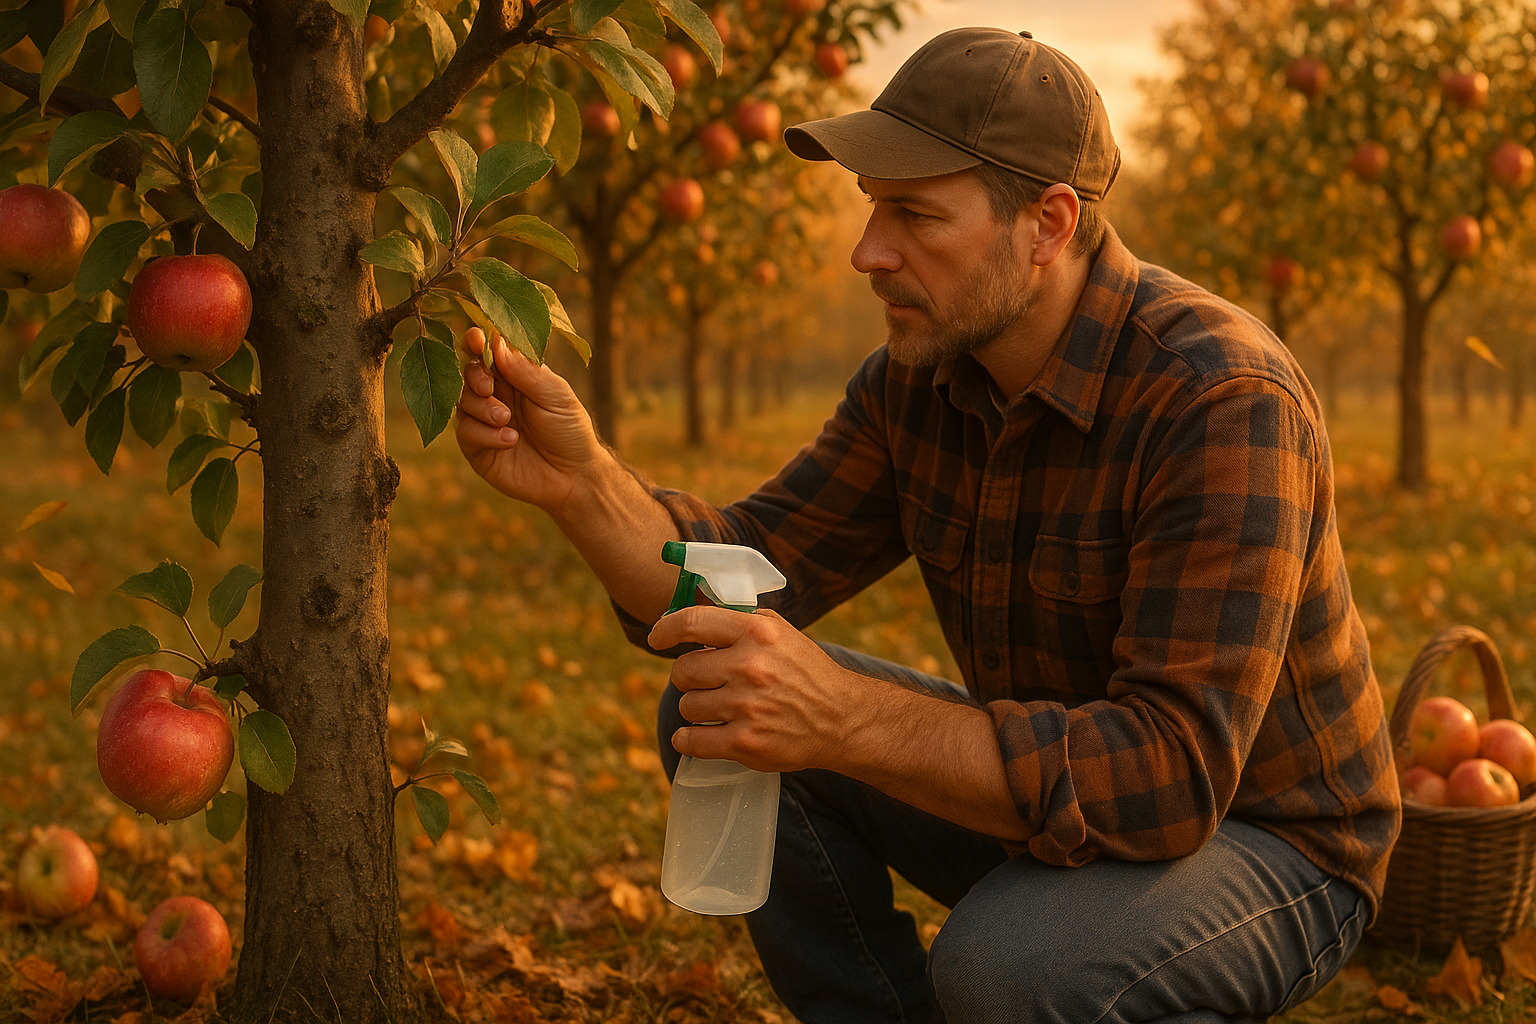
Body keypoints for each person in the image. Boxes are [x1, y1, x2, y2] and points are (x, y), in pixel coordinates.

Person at [455, 26, 1401, 1024]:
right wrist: (582, 482)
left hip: (1269, 843)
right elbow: (742, 573)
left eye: (913, 215)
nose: (869, 252)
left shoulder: (1218, 396)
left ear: (1048, 221)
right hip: (1055, 795)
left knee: (1009, 968)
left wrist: (848, 716)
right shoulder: (923, 378)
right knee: (725, 698)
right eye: (871, 212)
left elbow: (1169, 778)